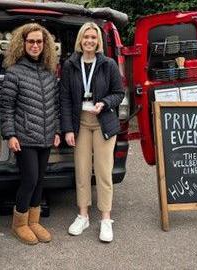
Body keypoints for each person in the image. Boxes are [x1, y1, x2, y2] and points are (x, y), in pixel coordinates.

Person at [60, 22, 124, 242]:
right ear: (80, 39)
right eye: (86, 37)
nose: (89, 41)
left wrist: (105, 103)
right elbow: (65, 99)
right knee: (82, 171)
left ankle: (106, 219)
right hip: (81, 124)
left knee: (104, 172)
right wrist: (68, 128)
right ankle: (83, 216)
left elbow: (119, 93)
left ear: (98, 41)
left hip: (103, 122)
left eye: (93, 37)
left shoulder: (108, 64)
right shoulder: (70, 65)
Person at [0, 23, 61, 245]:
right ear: (22, 44)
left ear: (45, 45)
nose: (35, 45)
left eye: (39, 41)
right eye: (31, 41)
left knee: (40, 180)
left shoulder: (48, 72)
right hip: (24, 136)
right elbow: (7, 107)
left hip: (45, 136)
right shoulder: (14, 72)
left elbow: (54, 105)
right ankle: (19, 224)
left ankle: (34, 221)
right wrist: (10, 135)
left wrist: (56, 130)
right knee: (30, 179)